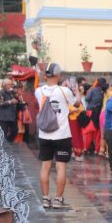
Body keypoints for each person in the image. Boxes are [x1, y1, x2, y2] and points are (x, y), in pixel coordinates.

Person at [35, 63, 77, 209]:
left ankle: (45, 199)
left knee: (45, 166)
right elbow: (77, 104)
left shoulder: (38, 91)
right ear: (58, 75)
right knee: (61, 166)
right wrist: (77, 91)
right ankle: (58, 200)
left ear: (45, 75)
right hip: (62, 135)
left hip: (44, 134)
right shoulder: (65, 91)